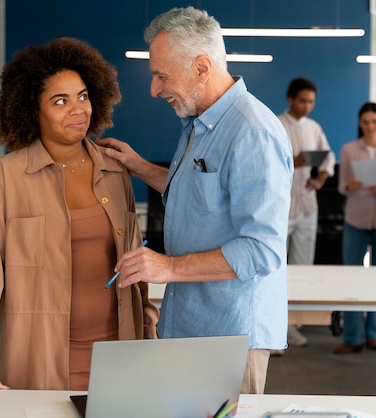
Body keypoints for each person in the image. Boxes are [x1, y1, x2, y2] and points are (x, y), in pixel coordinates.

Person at [0, 37, 159, 402]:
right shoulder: (6, 177)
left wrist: (149, 335)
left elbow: (136, 272)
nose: (78, 110)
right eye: (61, 101)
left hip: (122, 356)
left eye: (83, 96)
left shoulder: (116, 171)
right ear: (30, 110)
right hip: (40, 363)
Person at [96, 7, 293, 394]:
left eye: (161, 76)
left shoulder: (252, 132)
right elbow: (200, 193)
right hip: (190, 323)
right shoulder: (197, 124)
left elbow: (261, 250)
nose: (154, 90)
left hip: (231, 335)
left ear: (202, 68)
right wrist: (139, 167)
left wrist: (167, 267)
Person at [335, 102, 376, 354]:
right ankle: (352, 336)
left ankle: (374, 332)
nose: (370, 126)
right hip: (356, 218)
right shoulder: (349, 149)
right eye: (365, 121)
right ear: (360, 124)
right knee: (351, 276)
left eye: (374, 121)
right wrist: (350, 185)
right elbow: (341, 186)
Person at [276, 77, 335, 348]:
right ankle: (275, 325)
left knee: (302, 266)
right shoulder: (276, 124)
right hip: (281, 206)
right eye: (303, 100)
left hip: (308, 204)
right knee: (276, 267)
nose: (307, 106)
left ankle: (292, 326)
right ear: (290, 99)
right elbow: (269, 161)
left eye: (311, 101)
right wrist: (294, 162)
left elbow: (328, 157)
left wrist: (320, 178)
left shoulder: (314, 127)